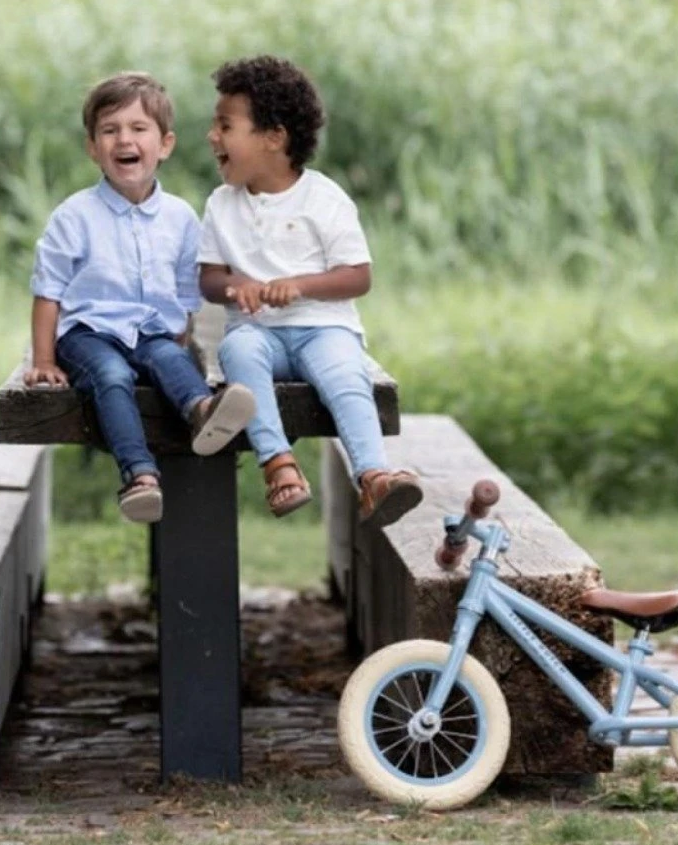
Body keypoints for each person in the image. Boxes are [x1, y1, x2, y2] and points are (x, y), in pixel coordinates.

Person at [198, 55, 422, 527]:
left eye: (225, 126)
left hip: (324, 329)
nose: (212, 136)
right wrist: (238, 285)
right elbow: (210, 280)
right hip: (258, 333)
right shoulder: (221, 204)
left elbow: (357, 276)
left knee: (347, 379)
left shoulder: (324, 199)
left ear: (274, 137)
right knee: (238, 353)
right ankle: (278, 464)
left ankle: (374, 476)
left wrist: (298, 286)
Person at [26, 72, 255, 523]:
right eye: (110, 130)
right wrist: (45, 360)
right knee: (112, 376)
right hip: (88, 335)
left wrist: (180, 339)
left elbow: (186, 294)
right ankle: (139, 476)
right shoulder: (75, 215)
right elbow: (48, 291)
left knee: (171, 360)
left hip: (152, 332)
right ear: (93, 148)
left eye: (138, 128)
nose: (124, 140)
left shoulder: (180, 217)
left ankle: (203, 411)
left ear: (164, 144)